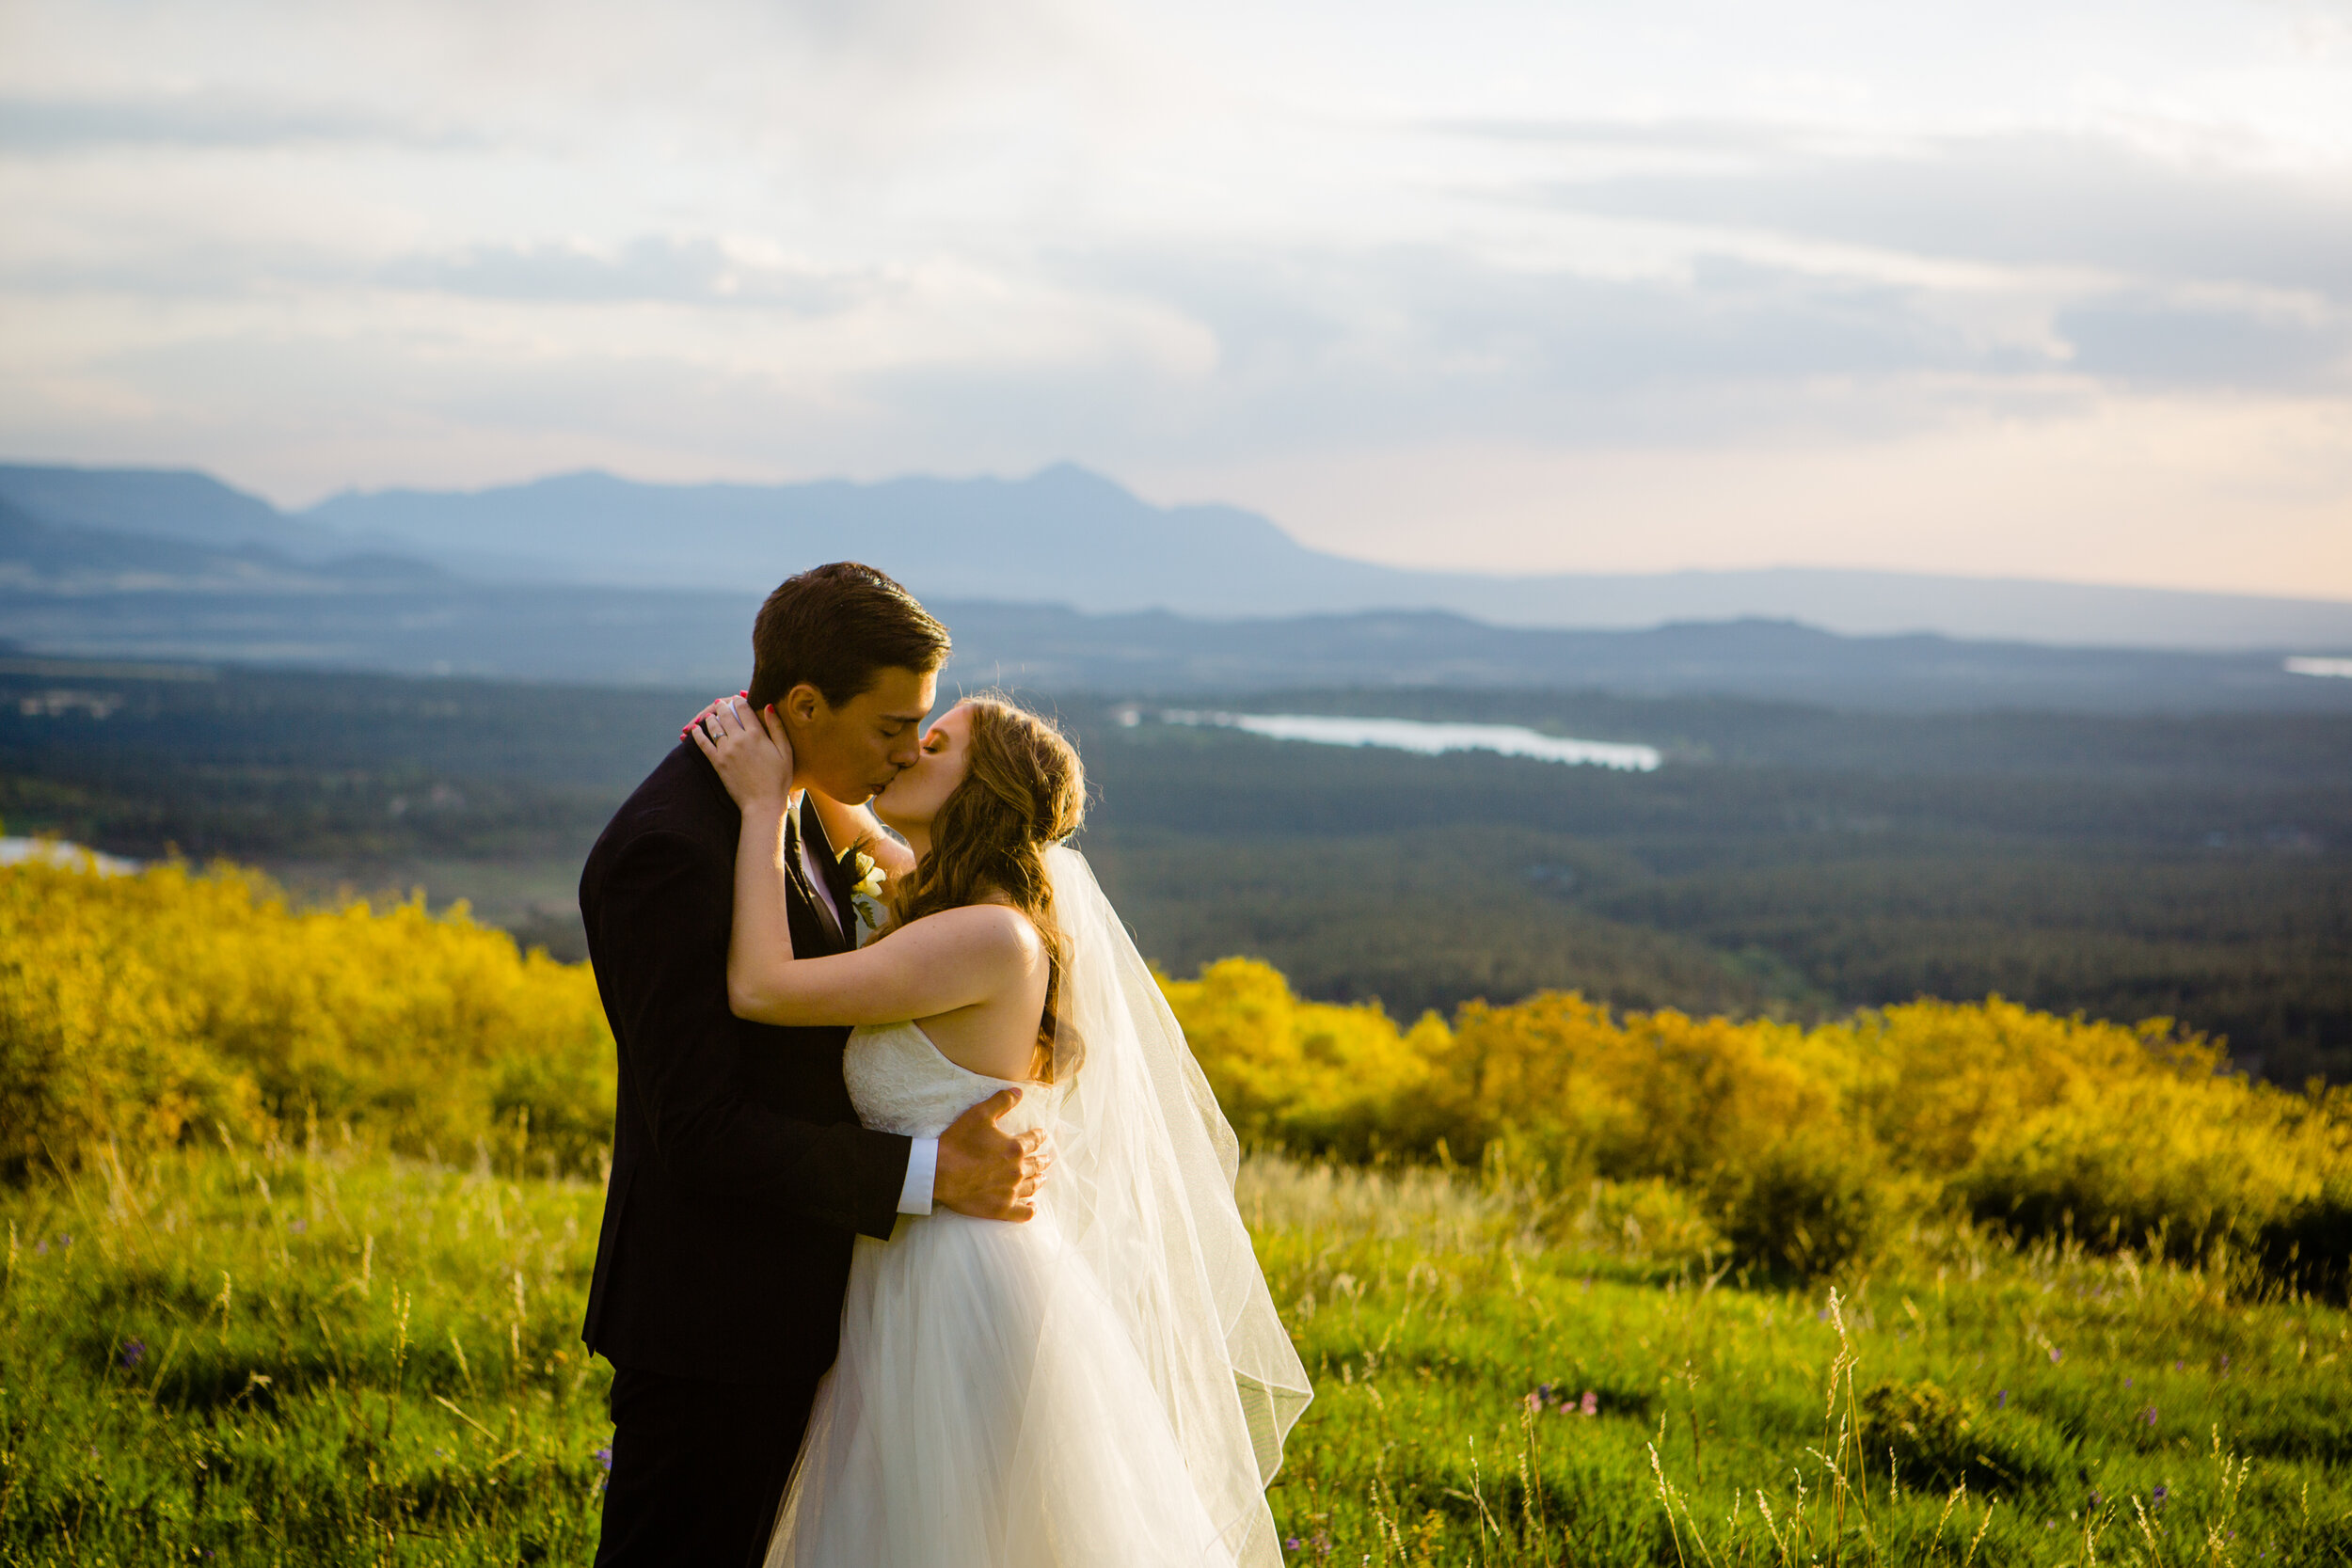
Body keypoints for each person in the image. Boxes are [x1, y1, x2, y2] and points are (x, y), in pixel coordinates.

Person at [686, 685, 1311, 1567]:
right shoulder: (941, 902)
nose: (905, 752)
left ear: (982, 790)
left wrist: (759, 805)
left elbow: (761, 988)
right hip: (907, 1263)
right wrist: (790, 731)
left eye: (931, 745)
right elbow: (856, 818)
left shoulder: (987, 938)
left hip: (957, 1282)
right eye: (904, 735)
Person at [579, 563, 1051, 1568]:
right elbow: (700, 1128)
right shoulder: (672, 848)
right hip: (713, 1320)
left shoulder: (796, 809)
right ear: (802, 704)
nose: (903, 750)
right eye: (890, 724)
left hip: (816, 1306)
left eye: (924, 732)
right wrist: (934, 1174)